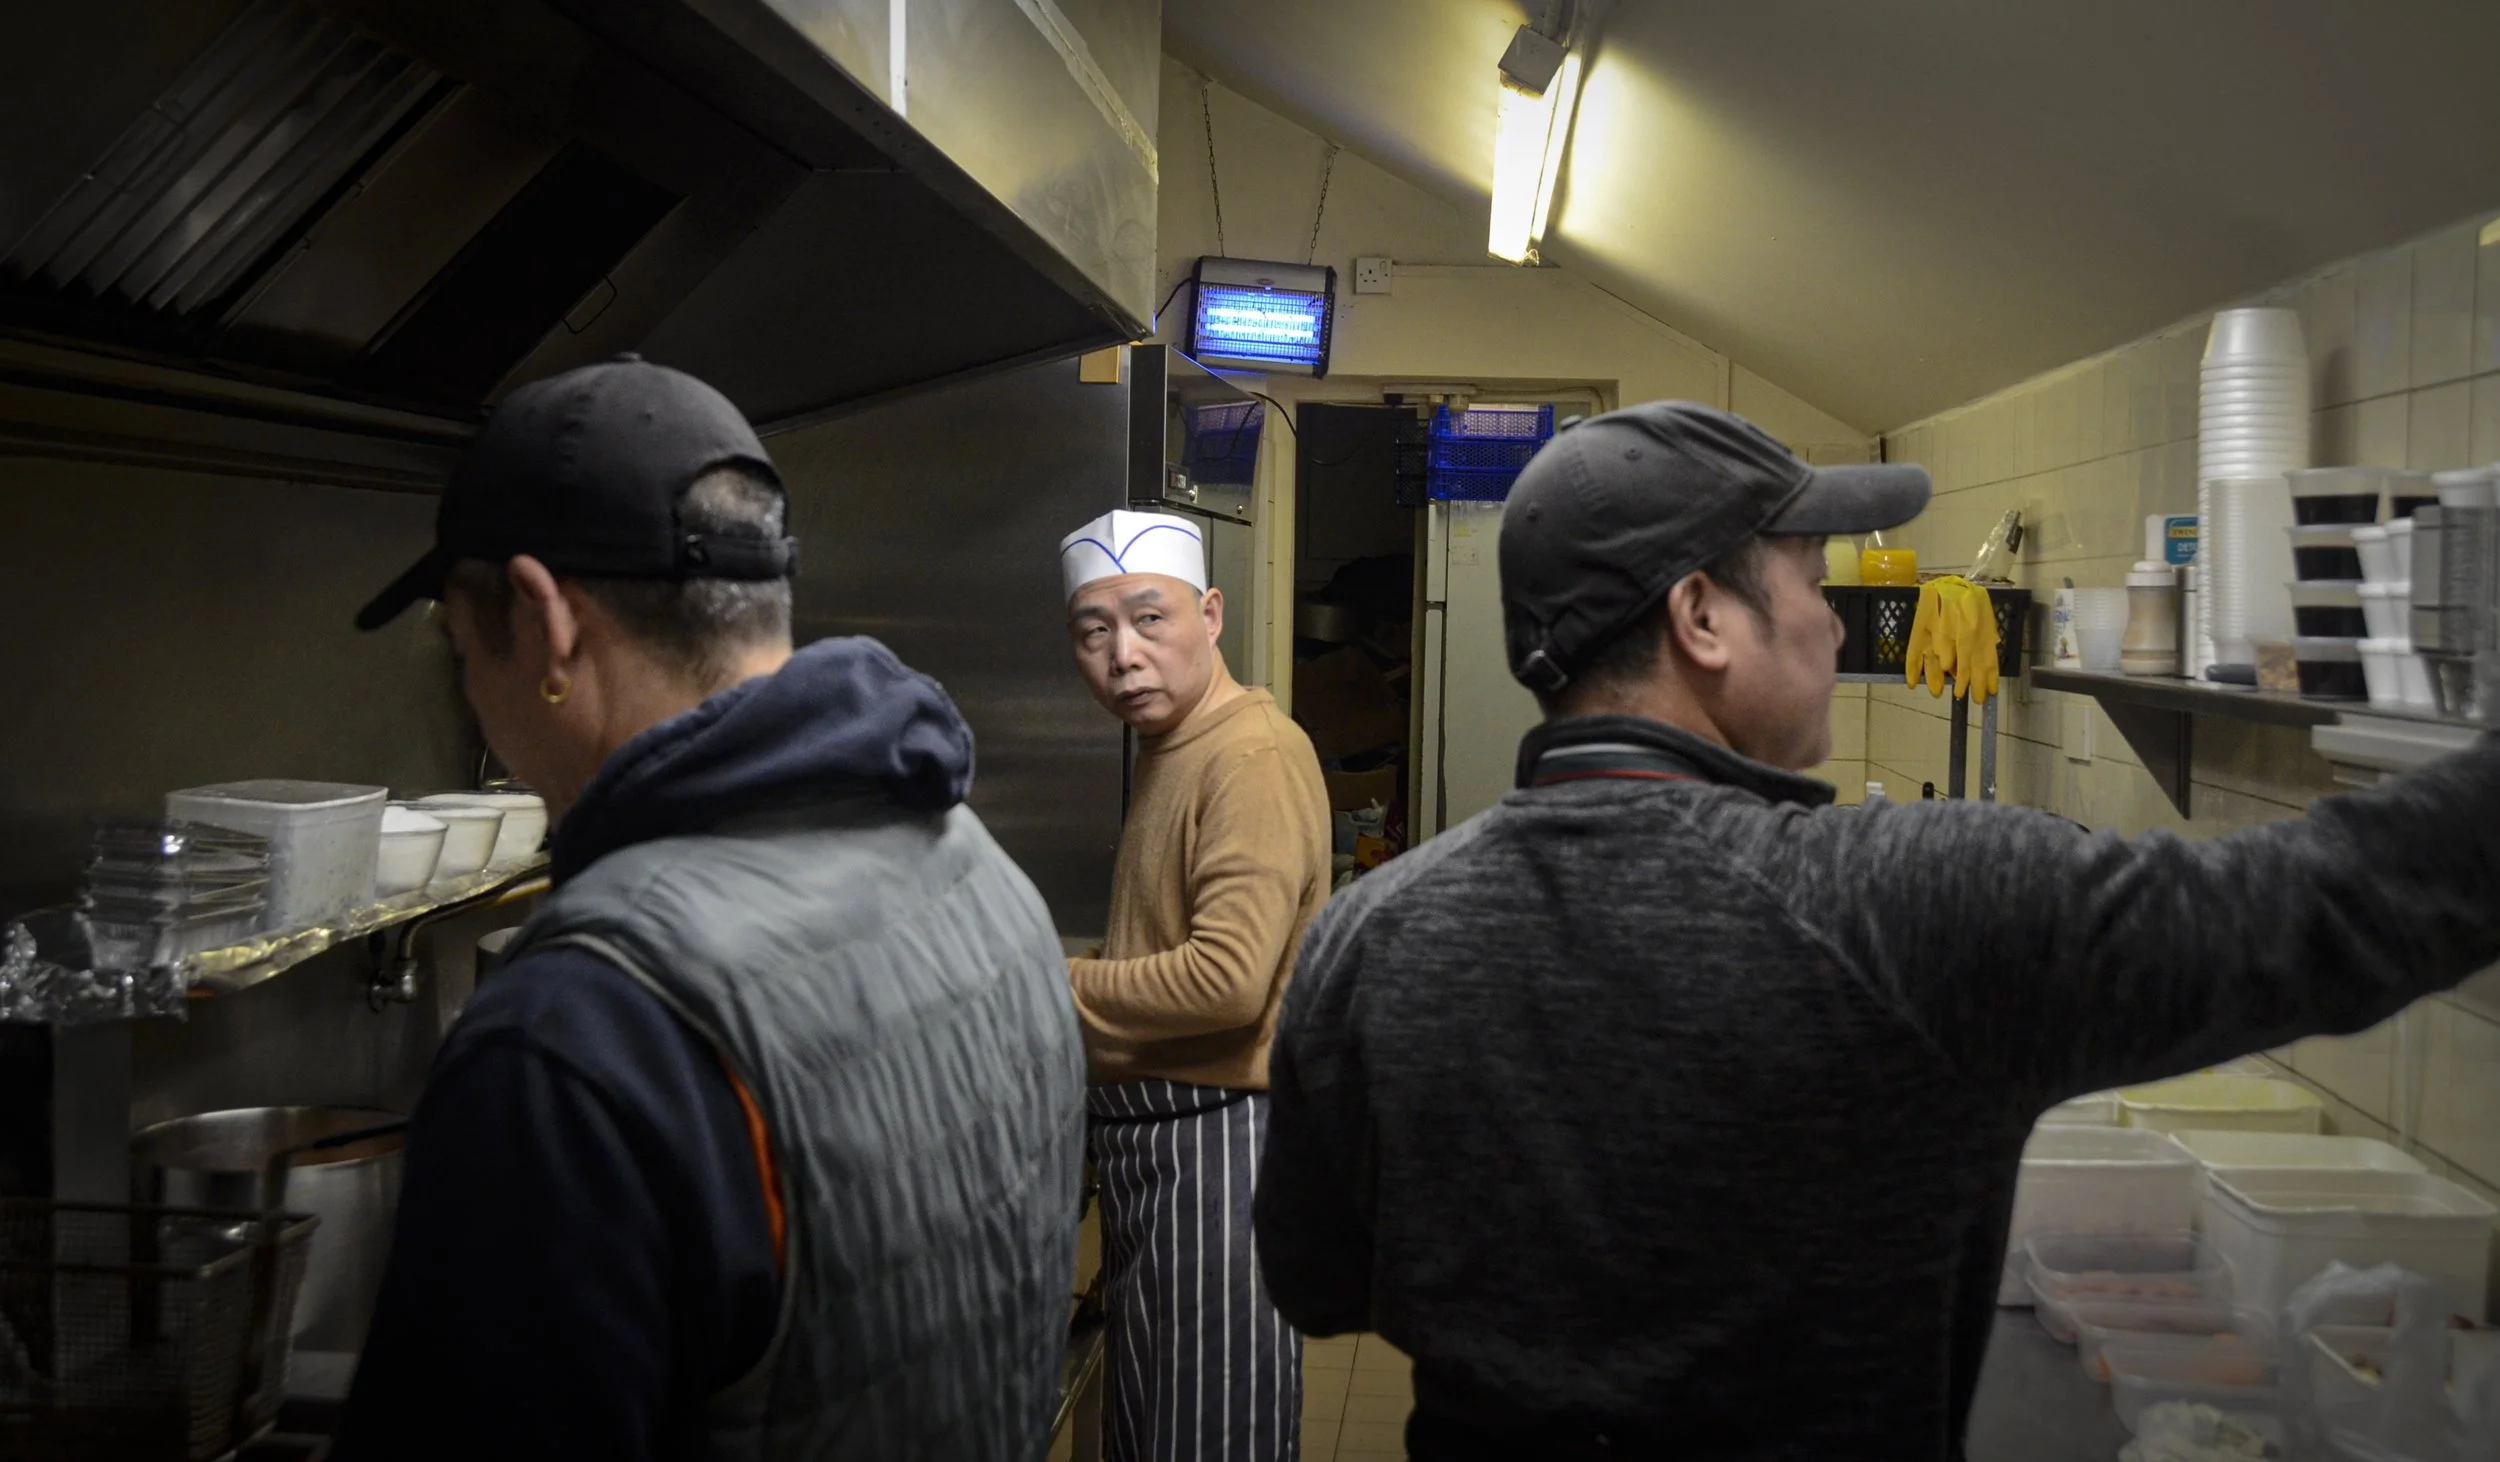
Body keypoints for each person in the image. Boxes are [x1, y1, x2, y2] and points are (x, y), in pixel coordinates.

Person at [1252, 400, 2500, 1460]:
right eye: (1806, 576)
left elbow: (1314, 1280)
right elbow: (2331, 904)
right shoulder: (1912, 908)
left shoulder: (1369, 936)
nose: (1835, 621)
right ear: (1700, 616)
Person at [336, 356, 1085, 1461]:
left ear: (546, 625)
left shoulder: (577, 1034)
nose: (473, 697)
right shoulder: (979, 869)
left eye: (458, 644)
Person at [1058, 510, 1332, 1461]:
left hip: (1219, 1156)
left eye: (1150, 620)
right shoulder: (1175, 745)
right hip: (1165, 1147)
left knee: (1207, 1442)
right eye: (1095, 632)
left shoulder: (1248, 755)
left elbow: (1226, 980)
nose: (1123, 655)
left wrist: (1050, 985)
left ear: (1211, 615)